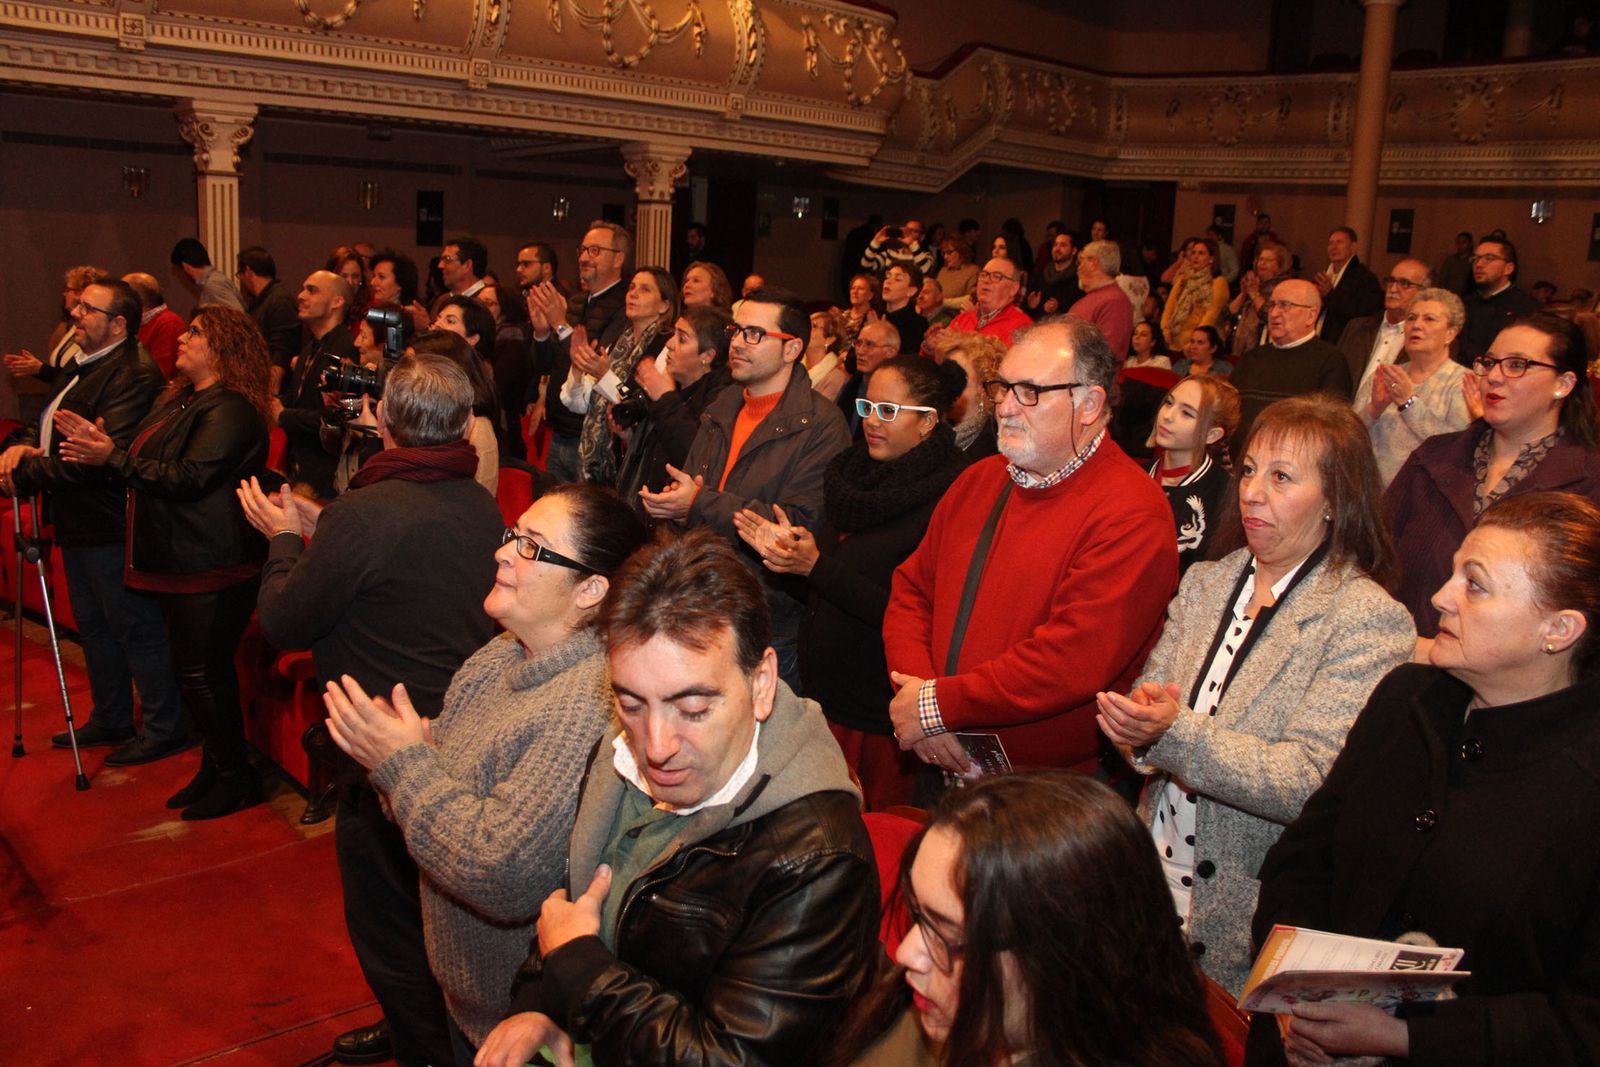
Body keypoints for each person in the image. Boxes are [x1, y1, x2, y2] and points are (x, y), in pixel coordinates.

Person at [474, 529, 880, 1067]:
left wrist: (577, 973)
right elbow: (576, 906)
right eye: (632, 704)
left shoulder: (819, 857)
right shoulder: (615, 760)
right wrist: (538, 1002)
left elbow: (732, 1059)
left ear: (761, 684)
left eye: (692, 710)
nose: (656, 748)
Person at [1252, 491, 1600, 1067]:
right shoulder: (1405, 698)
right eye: (1454, 572)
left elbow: (1582, 1023)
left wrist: (1402, 1038)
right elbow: (1303, 861)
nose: (1440, 596)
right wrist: (1295, 999)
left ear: (1558, 630)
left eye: (1476, 584)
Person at [1095, 395, 1416, 996]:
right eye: (1248, 471)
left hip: (1252, 905)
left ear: (1336, 500)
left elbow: (1312, 780)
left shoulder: (1366, 618)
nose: (1252, 492)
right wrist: (1133, 727)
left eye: (1282, 476)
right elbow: (1153, 694)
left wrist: (1170, 732)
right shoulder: (1208, 581)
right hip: (1151, 871)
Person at [320, 483, 649, 1065]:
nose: (503, 553)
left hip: (527, 1018)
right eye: (512, 536)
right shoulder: (499, 655)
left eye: (532, 547)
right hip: (464, 994)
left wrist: (403, 765)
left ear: (591, 591)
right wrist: (410, 767)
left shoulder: (586, 704)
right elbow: (435, 814)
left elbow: (502, 873)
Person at [238, 352, 504, 1067]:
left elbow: (288, 619)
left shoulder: (365, 510)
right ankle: (414, 1028)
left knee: (393, 936)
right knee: (435, 929)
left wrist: (285, 539)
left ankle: (419, 1042)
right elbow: (394, 561)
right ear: (466, 427)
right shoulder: (479, 498)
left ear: (380, 420)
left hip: (383, 757)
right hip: (459, 736)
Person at [883, 316, 1177, 792]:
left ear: (1090, 404)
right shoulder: (979, 480)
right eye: (1004, 388)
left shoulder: (1132, 513)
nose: (1005, 408)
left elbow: (1068, 662)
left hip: (1050, 794)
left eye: (1030, 392)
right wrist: (919, 698)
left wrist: (935, 704)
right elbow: (913, 590)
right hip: (940, 759)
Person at [829, 772, 1227, 1067]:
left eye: (948, 936)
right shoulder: (920, 1012)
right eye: (918, 915)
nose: (906, 954)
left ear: (1065, 959)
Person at [53, 305, 272, 817]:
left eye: (196, 333)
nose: (183, 339)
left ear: (223, 346)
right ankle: (218, 767)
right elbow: (149, 459)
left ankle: (236, 776)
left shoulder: (231, 408)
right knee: (192, 671)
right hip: (183, 559)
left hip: (212, 561)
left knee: (202, 672)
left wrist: (111, 456)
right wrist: (106, 446)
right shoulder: (184, 400)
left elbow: (190, 477)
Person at [732, 356, 971, 810]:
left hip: (880, 717)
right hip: (822, 695)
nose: (870, 423)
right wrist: (788, 559)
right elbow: (828, 587)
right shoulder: (852, 476)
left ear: (927, 424)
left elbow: (913, 613)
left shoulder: (949, 495)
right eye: (866, 407)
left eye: (887, 411)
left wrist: (816, 567)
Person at [0, 278, 183, 765]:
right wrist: (23, 445)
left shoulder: (132, 373)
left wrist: (26, 471)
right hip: (79, 519)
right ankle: (112, 715)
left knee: (133, 627)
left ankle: (165, 727)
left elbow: (91, 460)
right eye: (77, 306)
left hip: (110, 520)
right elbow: (53, 428)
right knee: (96, 626)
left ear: (119, 323)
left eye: (88, 309)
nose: (76, 315)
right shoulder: (83, 366)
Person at [640, 287, 850, 690]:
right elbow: (697, 488)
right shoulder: (724, 406)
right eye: (737, 331)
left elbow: (796, 526)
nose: (736, 342)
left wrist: (698, 503)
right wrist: (674, 502)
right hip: (699, 603)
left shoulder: (821, 426)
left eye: (754, 334)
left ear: (792, 350)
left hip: (764, 622)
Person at [1384, 313, 1600, 637]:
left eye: (1516, 365)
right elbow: (1374, 556)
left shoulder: (1588, 481)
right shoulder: (1433, 458)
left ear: (1563, 384)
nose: (1494, 377)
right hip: (1408, 666)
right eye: (1489, 362)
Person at [528, 221, 631, 482]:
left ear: (618, 258)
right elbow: (545, 367)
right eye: (583, 250)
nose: (585, 257)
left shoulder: (625, 308)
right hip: (559, 430)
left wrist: (561, 325)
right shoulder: (574, 303)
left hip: (592, 437)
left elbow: (592, 361)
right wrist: (541, 333)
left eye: (595, 250)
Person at [613, 304, 733, 519]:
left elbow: (695, 456)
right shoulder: (676, 389)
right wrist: (631, 439)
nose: (669, 344)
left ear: (707, 356)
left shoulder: (721, 399)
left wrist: (664, 399)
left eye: (682, 338)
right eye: (673, 335)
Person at [563, 266, 677, 485]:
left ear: (664, 305)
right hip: (597, 463)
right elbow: (579, 404)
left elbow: (640, 409)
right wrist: (578, 368)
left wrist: (604, 376)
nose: (633, 293)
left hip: (635, 459)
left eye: (645, 290)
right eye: (632, 287)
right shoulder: (617, 342)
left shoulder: (666, 346)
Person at [1356, 287, 1472, 486]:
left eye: (1429, 319)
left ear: (1450, 334)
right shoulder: (1385, 375)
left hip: (1424, 497)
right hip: (1369, 492)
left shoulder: (1462, 382)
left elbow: (1455, 448)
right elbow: (1348, 435)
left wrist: (1408, 403)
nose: (1416, 325)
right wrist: (1374, 409)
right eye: (1411, 318)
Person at [1229, 278, 1353, 451]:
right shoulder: (1252, 358)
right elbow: (1228, 412)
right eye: (1271, 305)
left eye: (1285, 305)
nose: (1273, 314)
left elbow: (1331, 430)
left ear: (1311, 315)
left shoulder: (1330, 361)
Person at [1150, 374, 1240, 572]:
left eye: (1186, 413)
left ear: (1212, 435)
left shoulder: (1226, 495)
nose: (1167, 416)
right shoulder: (1135, 476)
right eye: (1168, 403)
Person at [408, 328, 500, 494]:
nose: (405, 377)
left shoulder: (478, 428)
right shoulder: (431, 416)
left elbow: (476, 502)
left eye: (412, 368)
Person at [1338, 258, 1434, 396]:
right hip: (1347, 414)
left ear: (1424, 293)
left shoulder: (1427, 340)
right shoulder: (1357, 328)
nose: (1393, 289)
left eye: (1404, 283)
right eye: (1391, 281)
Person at [1460, 236, 1541, 363]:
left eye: (1489, 258)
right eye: (1475, 259)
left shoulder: (1527, 308)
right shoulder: (1462, 305)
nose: (1479, 264)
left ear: (1508, 268)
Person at [931, 330, 1003, 462]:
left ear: (984, 386)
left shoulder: (996, 449)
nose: (944, 382)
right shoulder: (930, 432)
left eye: (957, 375)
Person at [1315, 226, 1383, 344]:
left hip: (1344, 342)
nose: (1334, 247)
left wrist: (1330, 295)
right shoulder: (1325, 275)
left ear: (1354, 248)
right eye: (1330, 243)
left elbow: (1362, 317)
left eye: (1339, 242)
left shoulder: (1365, 278)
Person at [1161, 237, 1230, 351]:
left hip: (1202, 344)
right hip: (1174, 341)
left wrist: (1194, 341)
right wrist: (1165, 329)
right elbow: (1169, 308)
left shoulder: (1218, 282)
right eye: (1193, 253)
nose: (1196, 257)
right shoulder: (1183, 280)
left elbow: (1210, 316)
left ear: (1212, 258)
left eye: (1201, 253)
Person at [1069, 238, 1133, 358]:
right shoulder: (1089, 299)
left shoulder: (1115, 302)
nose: (1078, 268)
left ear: (1093, 263)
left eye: (1081, 261)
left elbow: (1105, 355)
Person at [945, 258, 1031, 346]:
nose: (986, 280)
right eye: (983, 275)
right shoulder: (962, 319)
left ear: (1014, 288)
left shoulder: (1021, 326)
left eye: (996, 276)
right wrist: (933, 347)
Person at [1229, 241, 1290, 359]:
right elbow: (1229, 314)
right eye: (1261, 259)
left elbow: (1267, 315)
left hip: (1264, 349)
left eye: (1268, 260)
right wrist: (1244, 293)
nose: (1262, 263)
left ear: (1280, 266)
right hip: (1240, 350)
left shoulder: (1282, 288)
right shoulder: (1255, 284)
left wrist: (1254, 293)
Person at [806, 307, 850, 399]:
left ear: (829, 340)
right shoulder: (794, 365)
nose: (806, 329)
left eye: (814, 326)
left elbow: (819, 412)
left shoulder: (835, 377)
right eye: (806, 324)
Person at [844, 271, 885, 345]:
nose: (855, 292)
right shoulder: (841, 316)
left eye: (860, 289)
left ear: (870, 295)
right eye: (853, 288)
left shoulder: (875, 318)